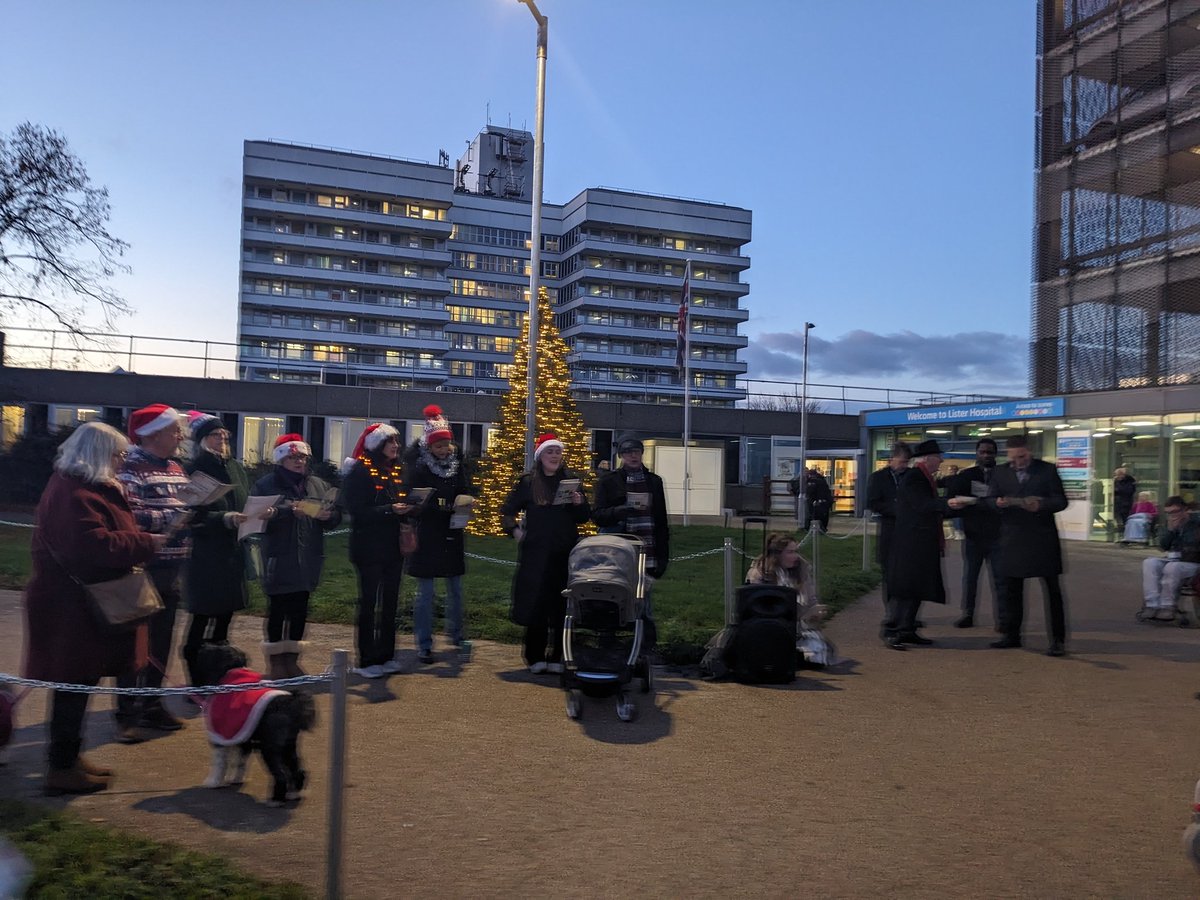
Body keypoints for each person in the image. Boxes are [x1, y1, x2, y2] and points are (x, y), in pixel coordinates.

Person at [23, 422, 166, 794]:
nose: (122, 461)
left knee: (78, 684)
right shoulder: (75, 492)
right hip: (71, 607)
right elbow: (93, 547)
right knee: (73, 684)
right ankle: (61, 766)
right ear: (100, 454)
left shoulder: (81, 487)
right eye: (118, 454)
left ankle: (68, 759)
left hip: (79, 603)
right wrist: (147, 543)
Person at [114, 403, 192, 742]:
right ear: (154, 434)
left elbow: (184, 503)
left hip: (172, 566)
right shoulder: (131, 468)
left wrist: (193, 513)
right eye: (174, 430)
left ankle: (153, 703)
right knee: (136, 642)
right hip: (143, 567)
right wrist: (170, 520)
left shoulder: (175, 466)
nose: (180, 436)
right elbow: (127, 514)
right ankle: (127, 711)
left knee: (162, 639)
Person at [253, 433, 342, 678]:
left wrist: (329, 517)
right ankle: (276, 664)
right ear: (281, 460)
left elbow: (334, 515)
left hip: (308, 557)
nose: (299, 461)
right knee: (278, 609)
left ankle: (293, 661)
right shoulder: (266, 485)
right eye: (293, 457)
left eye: (302, 456)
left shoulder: (316, 484)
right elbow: (256, 518)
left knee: (300, 610)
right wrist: (287, 511)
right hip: (279, 557)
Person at [501, 433, 590, 674]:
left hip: (564, 553)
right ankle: (535, 656)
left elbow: (583, 517)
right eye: (550, 452)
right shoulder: (529, 482)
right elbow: (507, 511)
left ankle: (559, 656)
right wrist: (516, 532)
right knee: (537, 604)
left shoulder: (571, 481)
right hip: (536, 554)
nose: (554, 456)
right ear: (541, 456)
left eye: (558, 452)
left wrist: (579, 502)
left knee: (561, 606)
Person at [180, 412, 249, 685]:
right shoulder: (194, 469)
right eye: (214, 435)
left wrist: (258, 512)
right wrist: (223, 518)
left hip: (232, 554)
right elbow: (190, 514)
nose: (221, 440)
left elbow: (245, 500)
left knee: (224, 620)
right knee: (201, 620)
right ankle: (196, 681)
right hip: (206, 557)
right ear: (201, 440)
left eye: (224, 435)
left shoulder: (235, 467)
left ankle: (220, 676)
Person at [404, 405, 475, 664]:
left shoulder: (457, 466)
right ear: (430, 448)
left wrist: (467, 501)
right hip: (428, 535)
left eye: (447, 445)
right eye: (439, 447)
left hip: (452, 535)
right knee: (426, 593)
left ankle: (456, 635)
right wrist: (445, 506)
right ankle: (424, 643)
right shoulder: (419, 469)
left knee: (455, 590)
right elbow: (417, 500)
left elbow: (465, 488)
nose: (445, 451)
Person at [988, 435, 1070, 657]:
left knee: (1052, 591)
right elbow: (989, 499)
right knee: (1011, 590)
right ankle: (1011, 635)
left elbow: (1061, 500)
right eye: (1013, 458)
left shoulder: (1047, 470)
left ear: (1030, 452)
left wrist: (1041, 505)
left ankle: (1057, 641)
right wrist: (997, 503)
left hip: (1041, 538)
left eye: (1022, 457)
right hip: (1012, 537)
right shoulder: (1000, 472)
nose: (1018, 462)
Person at [341, 422, 412, 679]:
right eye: (390, 442)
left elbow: (398, 500)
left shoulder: (396, 471)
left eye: (396, 442)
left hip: (392, 547)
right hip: (368, 547)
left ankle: (386, 654)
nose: (396, 446)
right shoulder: (360, 471)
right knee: (370, 603)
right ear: (377, 445)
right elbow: (357, 511)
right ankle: (367, 657)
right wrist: (389, 510)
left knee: (391, 603)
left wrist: (410, 507)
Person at [881, 440, 967, 650]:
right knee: (906, 589)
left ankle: (907, 629)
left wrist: (952, 507)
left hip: (920, 543)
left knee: (916, 588)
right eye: (938, 457)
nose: (941, 461)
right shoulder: (914, 478)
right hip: (912, 544)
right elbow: (922, 505)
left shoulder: (923, 477)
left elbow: (928, 507)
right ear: (928, 459)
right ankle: (892, 630)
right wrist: (948, 503)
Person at [591, 433, 670, 647]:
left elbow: (661, 520)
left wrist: (663, 557)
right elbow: (597, 515)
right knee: (612, 596)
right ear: (621, 456)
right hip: (617, 550)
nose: (633, 456)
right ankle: (607, 642)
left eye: (636, 452)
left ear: (642, 454)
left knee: (644, 602)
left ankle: (645, 648)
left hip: (647, 548)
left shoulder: (654, 482)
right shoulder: (608, 481)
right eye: (628, 453)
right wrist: (621, 511)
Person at [745, 532, 836, 667]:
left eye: (796, 551)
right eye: (790, 552)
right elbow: (756, 609)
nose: (795, 557)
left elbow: (811, 599)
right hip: (769, 627)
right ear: (777, 555)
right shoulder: (760, 574)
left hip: (798, 628)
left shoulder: (801, 570)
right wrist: (801, 615)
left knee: (819, 654)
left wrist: (815, 612)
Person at [944, 438, 1005, 629]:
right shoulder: (967, 475)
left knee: (1000, 579)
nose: (986, 455)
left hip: (998, 535)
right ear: (977, 453)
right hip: (973, 534)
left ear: (995, 454)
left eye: (990, 452)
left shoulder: (1004, 475)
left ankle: (1003, 619)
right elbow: (953, 498)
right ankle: (968, 614)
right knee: (970, 577)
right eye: (983, 452)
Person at [866, 442, 912, 609]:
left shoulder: (910, 476)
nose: (904, 466)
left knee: (909, 574)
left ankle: (907, 613)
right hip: (890, 529)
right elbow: (872, 502)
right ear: (891, 459)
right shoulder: (878, 478)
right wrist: (895, 508)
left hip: (909, 531)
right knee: (890, 573)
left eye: (907, 462)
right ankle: (891, 610)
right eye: (902, 462)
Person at [1140, 496, 1200, 620]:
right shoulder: (1170, 525)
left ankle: (1167, 606)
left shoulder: (1196, 524)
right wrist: (1171, 531)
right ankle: (1152, 605)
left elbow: (1193, 545)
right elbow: (1163, 546)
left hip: (1193, 561)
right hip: (1174, 559)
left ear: (1185, 510)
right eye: (1168, 513)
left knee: (1172, 567)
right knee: (1149, 563)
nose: (1172, 516)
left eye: (1175, 512)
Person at [804, 467, 834, 533]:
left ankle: (812, 529)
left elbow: (810, 492)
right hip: (825, 501)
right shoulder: (822, 480)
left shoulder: (812, 481)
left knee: (813, 516)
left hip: (817, 502)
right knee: (824, 516)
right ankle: (823, 529)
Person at [1113, 467, 1137, 537]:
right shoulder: (1116, 481)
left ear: (1122, 475)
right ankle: (1121, 532)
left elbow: (1129, 491)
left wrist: (1117, 490)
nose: (1117, 477)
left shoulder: (1129, 481)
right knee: (1118, 518)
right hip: (1117, 503)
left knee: (1125, 518)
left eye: (1118, 475)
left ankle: (1126, 534)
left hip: (1125, 503)